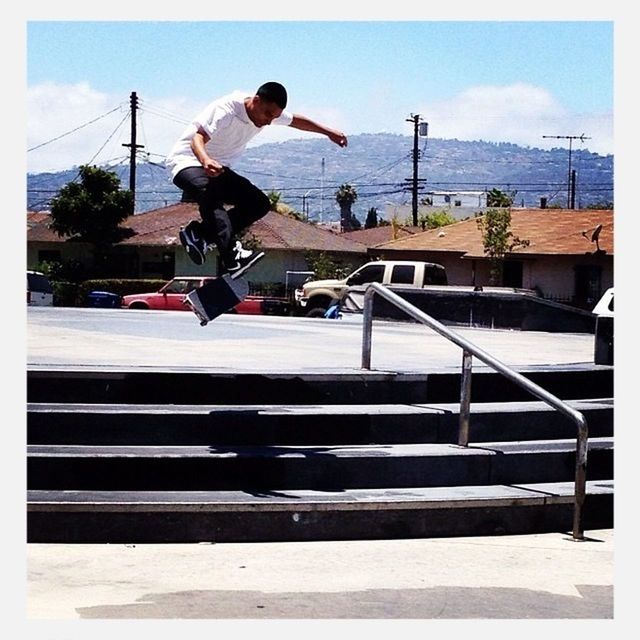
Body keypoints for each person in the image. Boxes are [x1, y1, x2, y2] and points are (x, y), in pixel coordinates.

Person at [166, 82, 348, 276]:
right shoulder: (226, 110)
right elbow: (198, 138)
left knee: (258, 203)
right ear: (256, 100)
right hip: (187, 162)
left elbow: (296, 120)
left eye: (275, 117)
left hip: (218, 170)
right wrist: (205, 160)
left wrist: (329, 132)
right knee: (211, 195)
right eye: (268, 115)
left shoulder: (267, 110)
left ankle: (199, 234)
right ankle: (232, 255)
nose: (269, 122)